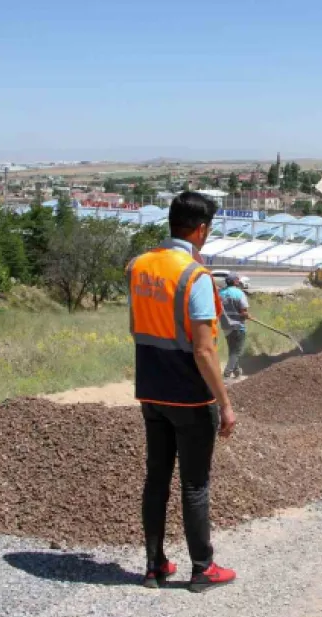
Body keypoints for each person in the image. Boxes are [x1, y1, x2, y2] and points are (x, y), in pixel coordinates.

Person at [126, 191, 238, 593]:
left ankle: (154, 566)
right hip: (190, 396)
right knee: (195, 484)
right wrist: (224, 404)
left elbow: (136, 326)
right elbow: (205, 349)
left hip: (150, 390)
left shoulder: (138, 266)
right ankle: (202, 569)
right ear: (201, 229)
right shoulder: (195, 275)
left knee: (156, 479)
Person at [218, 273, 249, 379]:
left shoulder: (220, 293)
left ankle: (237, 373)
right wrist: (246, 315)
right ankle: (226, 375)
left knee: (232, 351)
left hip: (225, 326)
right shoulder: (239, 293)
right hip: (237, 326)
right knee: (236, 352)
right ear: (236, 281)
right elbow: (243, 311)